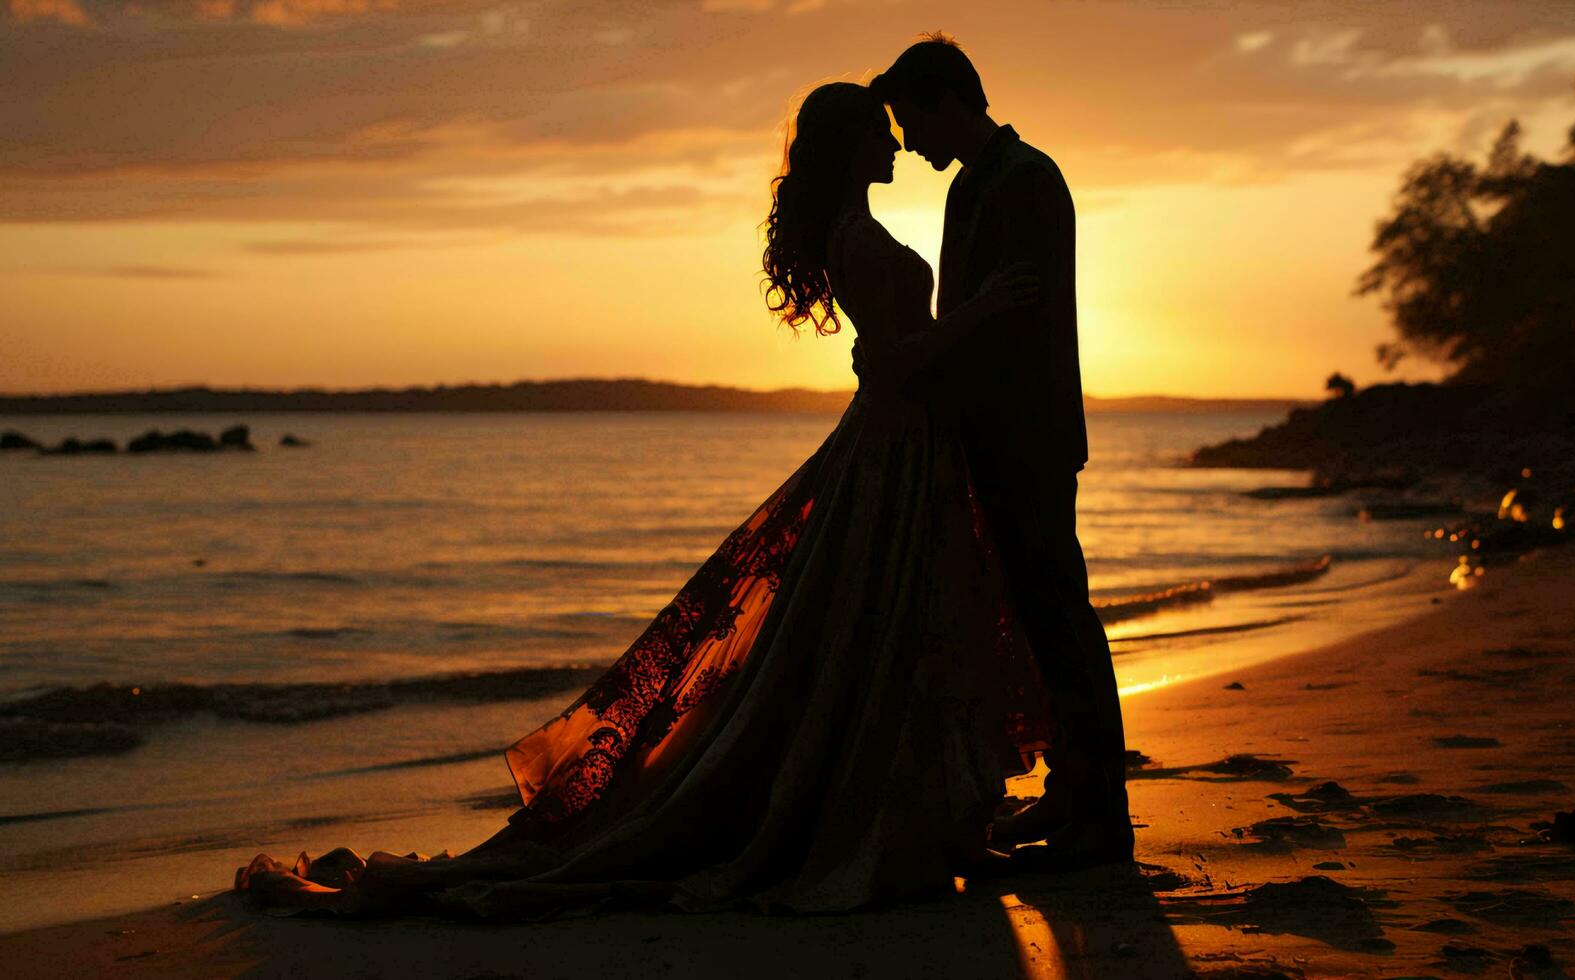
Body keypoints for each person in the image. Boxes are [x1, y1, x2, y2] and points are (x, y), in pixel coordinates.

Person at [233, 81, 1053, 919]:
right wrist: (984, 311)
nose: (893, 145)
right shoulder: (855, 236)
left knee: (885, 642)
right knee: (867, 644)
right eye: (878, 135)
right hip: (890, 455)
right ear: (849, 149)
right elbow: (894, 365)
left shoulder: (857, 232)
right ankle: (875, 819)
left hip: (902, 455)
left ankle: (912, 813)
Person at [869, 34, 1133, 868]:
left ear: (947, 101)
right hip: (990, 430)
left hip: (1029, 432)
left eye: (911, 123)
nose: (907, 144)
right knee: (1036, 616)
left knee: (1059, 615)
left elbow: (1009, 317)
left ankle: (1097, 817)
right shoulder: (973, 189)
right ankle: (1071, 795)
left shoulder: (1027, 180)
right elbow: (968, 310)